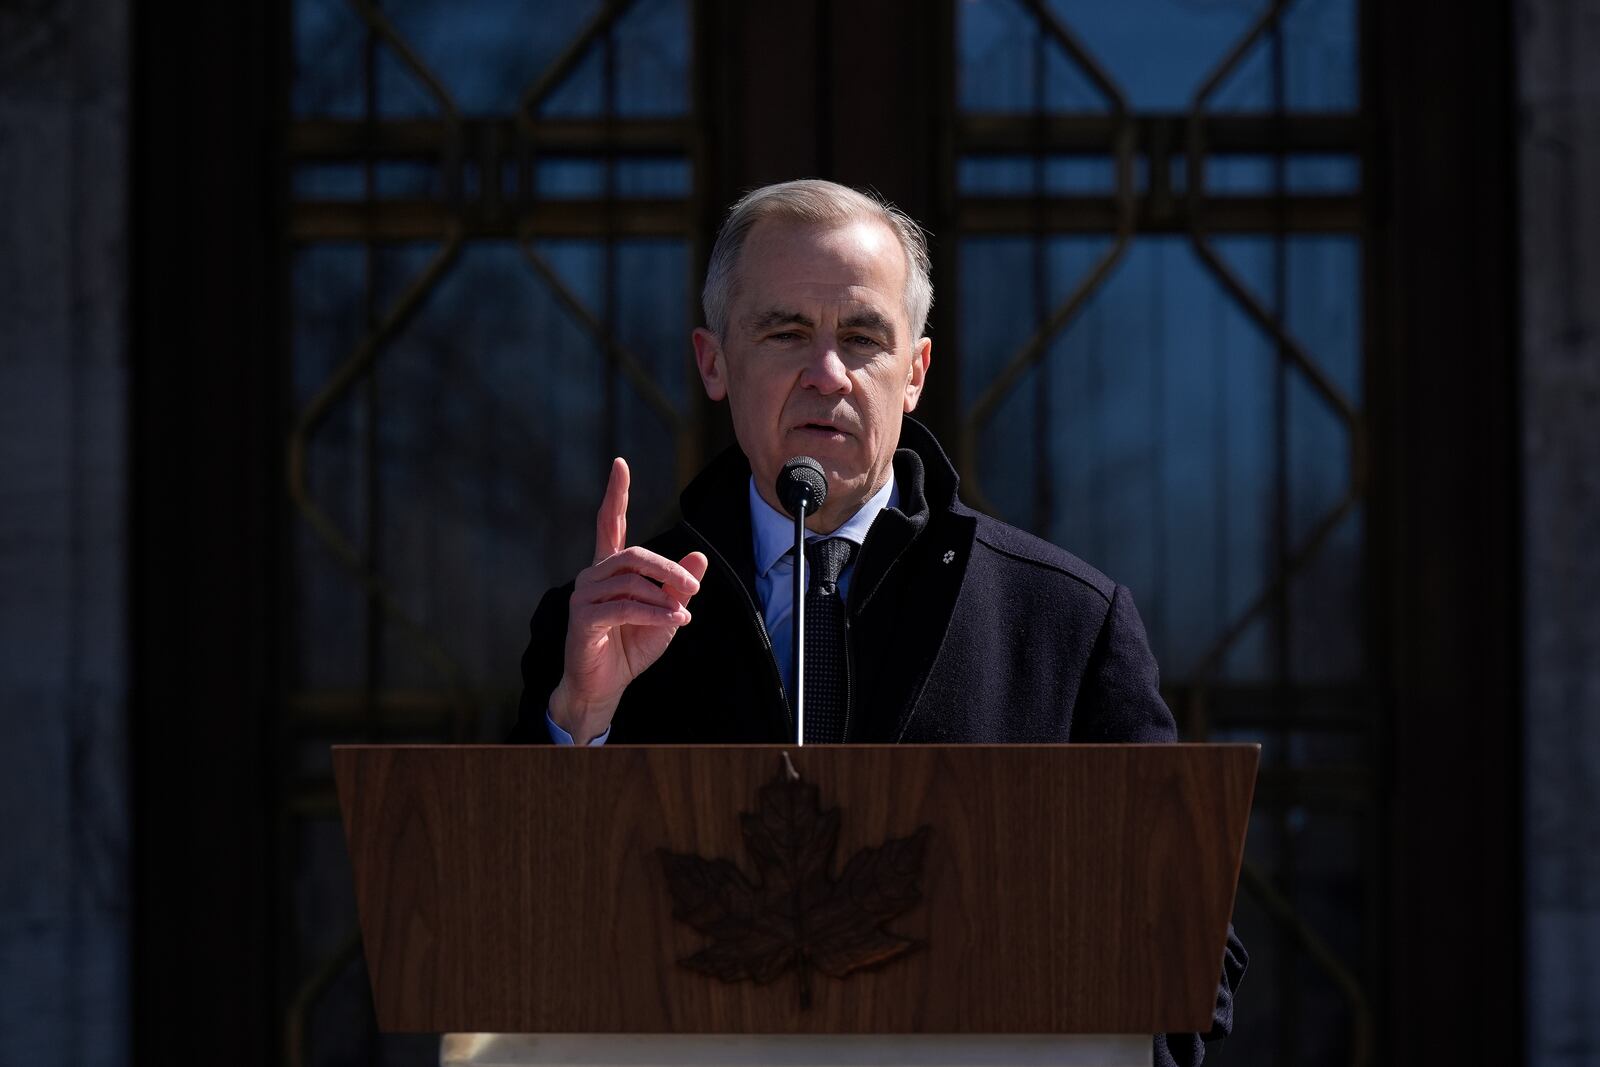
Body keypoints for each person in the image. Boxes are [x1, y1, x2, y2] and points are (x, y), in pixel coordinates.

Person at [510, 179, 1245, 1066]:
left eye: (862, 337)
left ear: (917, 374)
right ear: (713, 362)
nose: (828, 373)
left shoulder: (1062, 622)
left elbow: (1193, 961)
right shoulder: (598, 626)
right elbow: (503, 939)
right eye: (785, 332)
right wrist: (582, 723)